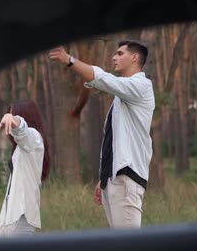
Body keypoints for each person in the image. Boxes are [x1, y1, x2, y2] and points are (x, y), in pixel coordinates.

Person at [49, 40, 154, 229]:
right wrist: (104, 177)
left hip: (127, 177)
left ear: (135, 57)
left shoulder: (141, 86)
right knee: (121, 250)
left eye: (120, 53)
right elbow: (114, 141)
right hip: (115, 177)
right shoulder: (122, 96)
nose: (114, 57)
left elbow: (104, 80)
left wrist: (69, 60)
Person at [0, 100, 51, 237]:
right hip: (15, 216)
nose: (10, 117)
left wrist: (14, 119)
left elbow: (23, 132)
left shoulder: (33, 138)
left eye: (13, 113)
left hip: (22, 216)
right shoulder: (22, 148)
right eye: (9, 114)